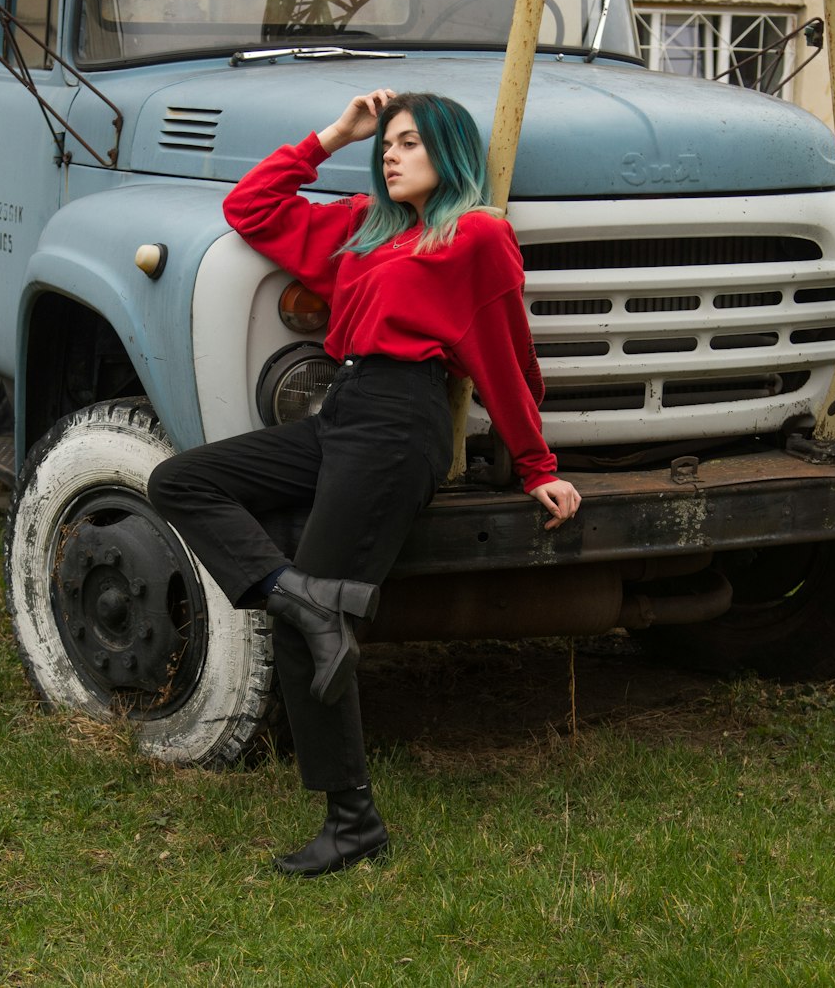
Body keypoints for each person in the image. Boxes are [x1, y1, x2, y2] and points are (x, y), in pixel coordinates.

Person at [148, 88, 581, 877]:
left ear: (448, 153)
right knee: (182, 479)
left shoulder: (475, 236)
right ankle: (299, 597)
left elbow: (504, 355)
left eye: (408, 142)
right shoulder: (360, 228)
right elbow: (252, 205)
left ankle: (352, 822)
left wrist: (537, 466)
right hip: (337, 414)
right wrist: (333, 132)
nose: (389, 153)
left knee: (310, 623)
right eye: (384, 143)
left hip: (399, 423)